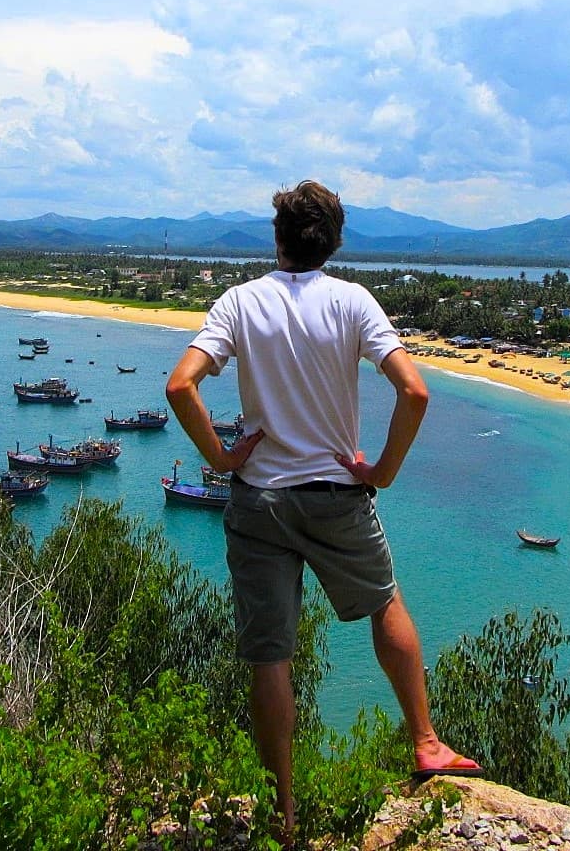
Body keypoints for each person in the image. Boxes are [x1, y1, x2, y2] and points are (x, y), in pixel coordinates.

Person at [165, 180, 482, 839]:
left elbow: (181, 385)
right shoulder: (353, 302)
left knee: (270, 655)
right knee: (385, 603)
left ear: (277, 237)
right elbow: (415, 392)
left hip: (259, 500)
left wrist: (223, 459)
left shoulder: (240, 302)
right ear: (333, 243)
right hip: (337, 496)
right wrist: (382, 472)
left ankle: (282, 810)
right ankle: (425, 743)